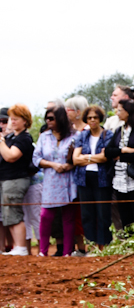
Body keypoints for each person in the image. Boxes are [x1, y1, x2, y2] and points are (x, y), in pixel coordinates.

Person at [33, 107, 76, 257]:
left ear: (60, 119)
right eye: (47, 118)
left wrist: (69, 165)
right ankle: (43, 251)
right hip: (50, 180)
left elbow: (78, 155)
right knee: (46, 216)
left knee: (68, 216)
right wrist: (53, 165)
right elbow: (36, 158)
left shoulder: (73, 136)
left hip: (68, 179)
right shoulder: (44, 137)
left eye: (52, 118)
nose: (48, 121)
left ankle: (68, 252)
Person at [72, 106, 113, 249]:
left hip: (102, 178)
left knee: (103, 213)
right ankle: (91, 246)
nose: (92, 120)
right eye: (89, 118)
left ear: (100, 118)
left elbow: (105, 158)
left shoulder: (108, 135)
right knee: (87, 213)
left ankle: (103, 246)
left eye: (95, 117)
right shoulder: (82, 136)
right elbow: (75, 159)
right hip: (84, 178)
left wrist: (86, 157)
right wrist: (94, 158)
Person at [105, 100, 134, 230]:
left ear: (128, 112)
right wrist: (124, 150)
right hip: (119, 180)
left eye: (120, 110)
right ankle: (129, 247)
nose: (117, 113)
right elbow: (108, 151)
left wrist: (119, 156)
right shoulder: (119, 130)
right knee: (125, 218)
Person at [0, 104, 35, 256]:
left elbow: (11, 156)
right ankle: (17, 247)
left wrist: (0, 141)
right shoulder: (11, 137)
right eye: (11, 119)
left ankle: (21, 247)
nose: (12, 122)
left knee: (14, 212)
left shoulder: (24, 138)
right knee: (8, 213)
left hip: (16, 179)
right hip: (6, 179)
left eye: (16, 119)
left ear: (25, 121)